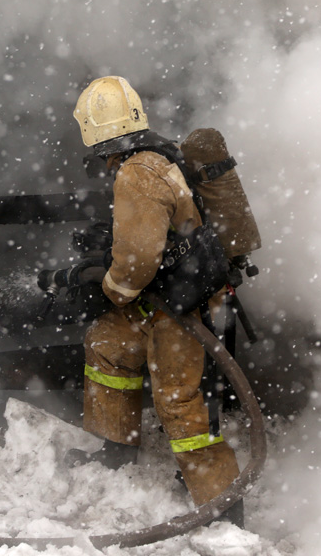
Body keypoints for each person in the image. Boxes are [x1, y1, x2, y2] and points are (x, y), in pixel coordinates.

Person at [68, 76, 242, 520]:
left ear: (93, 133)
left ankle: (221, 505)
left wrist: (109, 289)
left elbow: (137, 264)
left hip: (183, 308)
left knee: (179, 403)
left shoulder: (136, 173)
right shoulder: (160, 155)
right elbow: (158, 229)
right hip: (174, 296)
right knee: (107, 343)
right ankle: (116, 452)